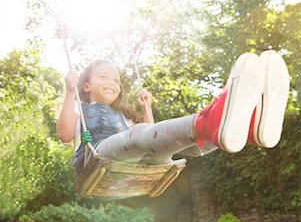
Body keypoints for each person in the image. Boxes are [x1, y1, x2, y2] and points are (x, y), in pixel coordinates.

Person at [56, 50, 290, 176]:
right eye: (104, 77)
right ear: (86, 86)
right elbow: (65, 135)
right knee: (138, 135)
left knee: (182, 142)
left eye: (116, 79)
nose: (112, 83)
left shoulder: (123, 116)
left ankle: (245, 126)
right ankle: (209, 122)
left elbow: (149, 134)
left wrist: (146, 108)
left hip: (140, 163)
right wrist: (69, 92)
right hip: (99, 158)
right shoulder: (83, 113)